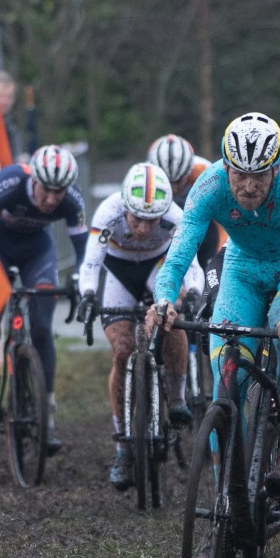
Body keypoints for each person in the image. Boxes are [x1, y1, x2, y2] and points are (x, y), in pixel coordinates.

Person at [150, 112, 280, 499]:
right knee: (226, 377)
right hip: (242, 269)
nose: (249, 186)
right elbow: (179, 254)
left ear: (275, 168)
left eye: (260, 177)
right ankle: (226, 503)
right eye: (240, 175)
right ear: (226, 166)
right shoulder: (209, 185)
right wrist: (164, 298)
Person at [76, 163, 204, 489]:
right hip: (119, 276)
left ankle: (176, 398)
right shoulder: (108, 212)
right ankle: (122, 447)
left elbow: (190, 262)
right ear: (125, 208)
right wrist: (88, 295)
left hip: (156, 270)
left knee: (172, 320)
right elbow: (90, 263)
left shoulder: (175, 216)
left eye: (152, 220)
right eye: (136, 219)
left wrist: (193, 295)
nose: (144, 228)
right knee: (122, 352)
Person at [0, 145, 88, 453]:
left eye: (59, 192)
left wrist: (78, 279)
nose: (52, 199)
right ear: (34, 180)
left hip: (36, 251)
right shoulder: (9, 183)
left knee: (40, 327)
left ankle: (46, 418)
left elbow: (83, 250)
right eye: (46, 190)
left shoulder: (72, 199)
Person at [146, 134, 218, 270]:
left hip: (202, 222)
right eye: (167, 182)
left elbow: (222, 222)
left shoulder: (205, 172)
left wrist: (218, 257)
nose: (173, 189)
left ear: (189, 171)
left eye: (178, 181)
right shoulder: (147, 177)